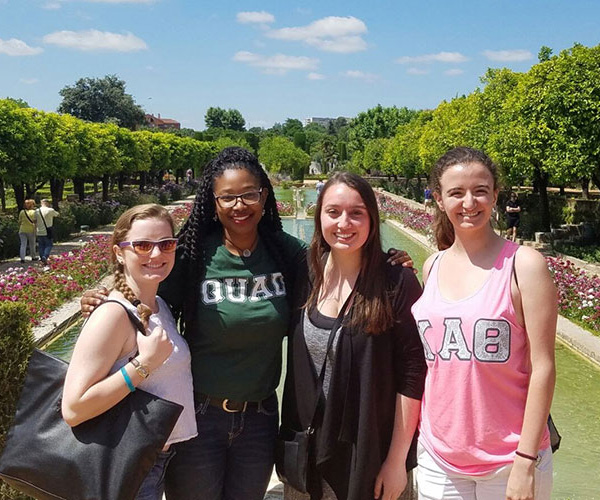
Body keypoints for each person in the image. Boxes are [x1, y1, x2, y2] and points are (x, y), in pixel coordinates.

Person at [81, 147, 411, 500]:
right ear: (214, 201)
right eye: (228, 197)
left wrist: (388, 264)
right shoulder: (193, 256)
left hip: (260, 418)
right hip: (198, 417)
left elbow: (341, 261)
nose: (240, 206)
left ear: (264, 195)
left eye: (249, 194)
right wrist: (106, 294)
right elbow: (146, 288)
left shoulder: (286, 253)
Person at [411, 147, 556, 500]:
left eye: (480, 190)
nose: (469, 202)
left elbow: (543, 368)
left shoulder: (524, 265)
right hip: (439, 456)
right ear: (440, 200)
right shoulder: (432, 267)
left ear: (494, 195)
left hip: (509, 458)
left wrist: (525, 460)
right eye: (456, 193)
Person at [281, 172, 427, 500]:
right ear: (318, 217)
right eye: (333, 212)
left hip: (370, 458)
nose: (344, 222)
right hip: (307, 455)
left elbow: (414, 376)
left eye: (357, 213)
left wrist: (396, 461)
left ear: (372, 220)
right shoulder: (305, 274)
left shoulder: (397, 284)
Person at [62, 204, 197, 500]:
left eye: (166, 244)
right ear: (119, 252)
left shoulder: (159, 306)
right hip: (126, 465)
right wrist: (143, 364)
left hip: (154, 460)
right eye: (143, 245)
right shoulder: (112, 314)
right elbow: (73, 408)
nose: (157, 254)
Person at [36, 199, 60, 264]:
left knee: (41, 246)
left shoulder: (37, 211)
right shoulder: (50, 210)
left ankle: (42, 258)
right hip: (48, 230)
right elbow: (57, 214)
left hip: (39, 231)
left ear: (41, 203)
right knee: (49, 245)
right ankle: (45, 256)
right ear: (48, 203)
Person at [18, 199, 37, 264]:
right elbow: (35, 221)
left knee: (23, 244)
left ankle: (22, 258)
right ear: (32, 205)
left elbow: (19, 221)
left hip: (22, 229)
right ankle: (33, 256)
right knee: (32, 244)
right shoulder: (34, 212)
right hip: (31, 230)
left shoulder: (22, 212)